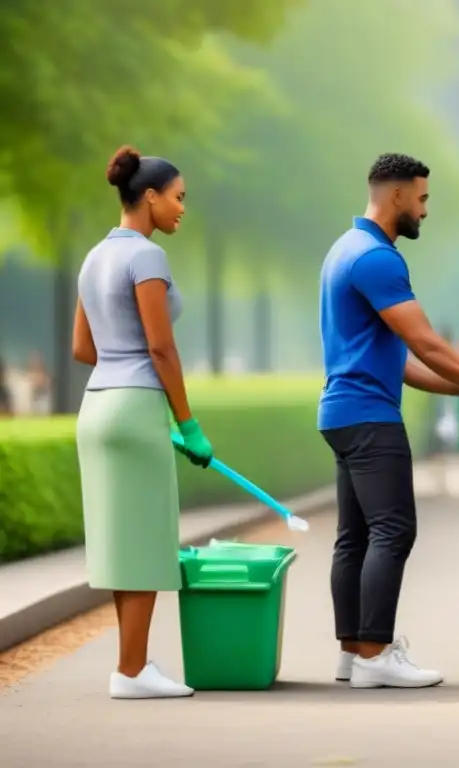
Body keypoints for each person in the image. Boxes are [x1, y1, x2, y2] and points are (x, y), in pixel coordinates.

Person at [318, 153, 459, 690]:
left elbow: (408, 365)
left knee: (356, 537)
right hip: (371, 418)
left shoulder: (343, 250)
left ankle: (353, 652)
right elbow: (425, 341)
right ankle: (376, 653)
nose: (424, 211)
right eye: (421, 199)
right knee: (394, 530)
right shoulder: (376, 258)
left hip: (342, 413)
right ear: (395, 196)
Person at [74, 145, 214, 699]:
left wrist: (119, 354)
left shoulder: (92, 257)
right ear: (149, 197)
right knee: (149, 538)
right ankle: (132, 672)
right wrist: (188, 422)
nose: (182, 209)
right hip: (136, 406)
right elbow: (161, 348)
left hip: (97, 407)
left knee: (121, 541)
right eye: (178, 198)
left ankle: (130, 665)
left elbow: (83, 347)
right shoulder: (146, 257)